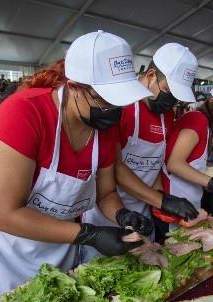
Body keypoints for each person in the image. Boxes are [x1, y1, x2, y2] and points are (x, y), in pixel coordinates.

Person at [0, 30, 154, 302]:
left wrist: (121, 214)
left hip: (60, 244)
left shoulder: (103, 128)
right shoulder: (22, 114)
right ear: (73, 87)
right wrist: (90, 234)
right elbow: (6, 214)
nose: (113, 111)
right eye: (105, 100)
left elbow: (106, 192)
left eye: (120, 102)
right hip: (7, 250)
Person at [81, 43, 201, 260]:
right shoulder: (122, 105)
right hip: (109, 215)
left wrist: (163, 199)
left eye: (177, 97)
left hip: (143, 213)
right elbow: (115, 167)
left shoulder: (167, 114)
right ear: (152, 75)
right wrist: (161, 201)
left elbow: (154, 164)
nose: (172, 102)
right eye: (169, 92)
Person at [162, 82, 213, 223]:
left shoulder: (206, 125)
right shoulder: (197, 120)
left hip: (187, 201)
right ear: (212, 101)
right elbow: (174, 163)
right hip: (174, 201)